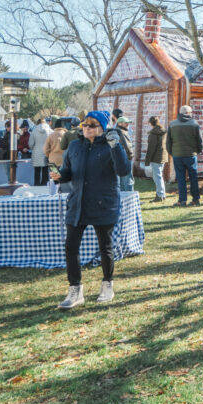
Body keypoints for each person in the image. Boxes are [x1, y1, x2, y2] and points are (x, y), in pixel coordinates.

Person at [50, 111, 130, 309]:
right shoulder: (75, 146)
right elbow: (69, 172)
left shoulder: (110, 145)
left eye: (93, 125)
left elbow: (123, 170)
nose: (88, 127)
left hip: (103, 202)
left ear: (102, 128)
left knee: (105, 246)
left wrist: (116, 145)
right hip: (78, 203)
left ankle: (107, 284)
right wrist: (60, 175)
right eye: (85, 124)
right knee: (70, 246)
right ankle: (75, 289)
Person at [167, 105, 203, 207]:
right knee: (193, 177)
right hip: (191, 155)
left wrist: (172, 152)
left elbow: (168, 142)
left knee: (181, 178)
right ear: (189, 113)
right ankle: (196, 199)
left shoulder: (172, 124)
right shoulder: (195, 124)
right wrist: (198, 151)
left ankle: (182, 200)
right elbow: (199, 140)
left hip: (177, 155)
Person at [144, 115, 168, 202]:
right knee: (159, 176)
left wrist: (147, 161)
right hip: (163, 155)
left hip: (156, 157)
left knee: (157, 177)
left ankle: (160, 195)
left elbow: (151, 148)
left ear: (150, 123)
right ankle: (163, 194)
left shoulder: (154, 133)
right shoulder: (163, 130)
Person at [29, 118, 53, 187]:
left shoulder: (34, 131)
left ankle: (37, 184)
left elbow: (31, 143)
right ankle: (44, 184)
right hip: (46, 152)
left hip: (36, 153)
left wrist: (33, 148)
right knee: (45, 170)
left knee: (37, 170)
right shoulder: (50, 131)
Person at [114, 117, 134, 192]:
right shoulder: (121, 132)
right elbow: (127, 146)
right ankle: (130, 198)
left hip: (120, 159)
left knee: (122, 181)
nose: (127, 124)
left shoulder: (116, 131)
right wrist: (131, 156)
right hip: (125, 158)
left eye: (128, 123)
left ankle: (123, 199)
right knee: (129, 180)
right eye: (126, 123)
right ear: (119, 123)